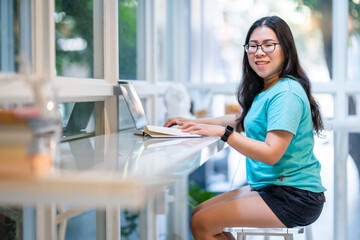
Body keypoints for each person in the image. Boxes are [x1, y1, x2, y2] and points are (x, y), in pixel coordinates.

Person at [164, 16, 326, 240]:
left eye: (269, 44)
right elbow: (241, 120)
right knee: (199, 214)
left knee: (202, 222)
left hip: (294, 197)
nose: (259, 52)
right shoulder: (269, 89)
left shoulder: (286, 93)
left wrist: (224, 134)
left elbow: (271, 153)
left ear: (286, 50)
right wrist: (194, 123)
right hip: (275, 188)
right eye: (253, 45)